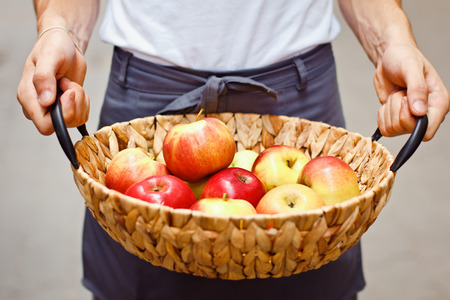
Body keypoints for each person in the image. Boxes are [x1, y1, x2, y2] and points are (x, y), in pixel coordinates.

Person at [17, 1, 449, 299]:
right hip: (148, 108)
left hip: (295, 103)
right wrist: (59, 30)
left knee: (311, 275)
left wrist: (392, 41)